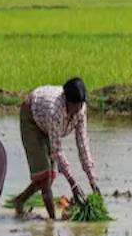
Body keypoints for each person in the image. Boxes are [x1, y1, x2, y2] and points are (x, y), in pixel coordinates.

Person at [13, 78, 98, 219]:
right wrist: (74, 185)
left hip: (46, 123)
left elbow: (82, 144)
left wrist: (93, 182)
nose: (77, 110)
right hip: (32, 119)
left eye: (80, 105)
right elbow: (57, 151)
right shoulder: (55, 111)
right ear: (66, 100)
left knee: (50, 177)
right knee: (45, 177)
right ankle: (52, 223)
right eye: (74, 105)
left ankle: (20, 200)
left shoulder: (80, 110)